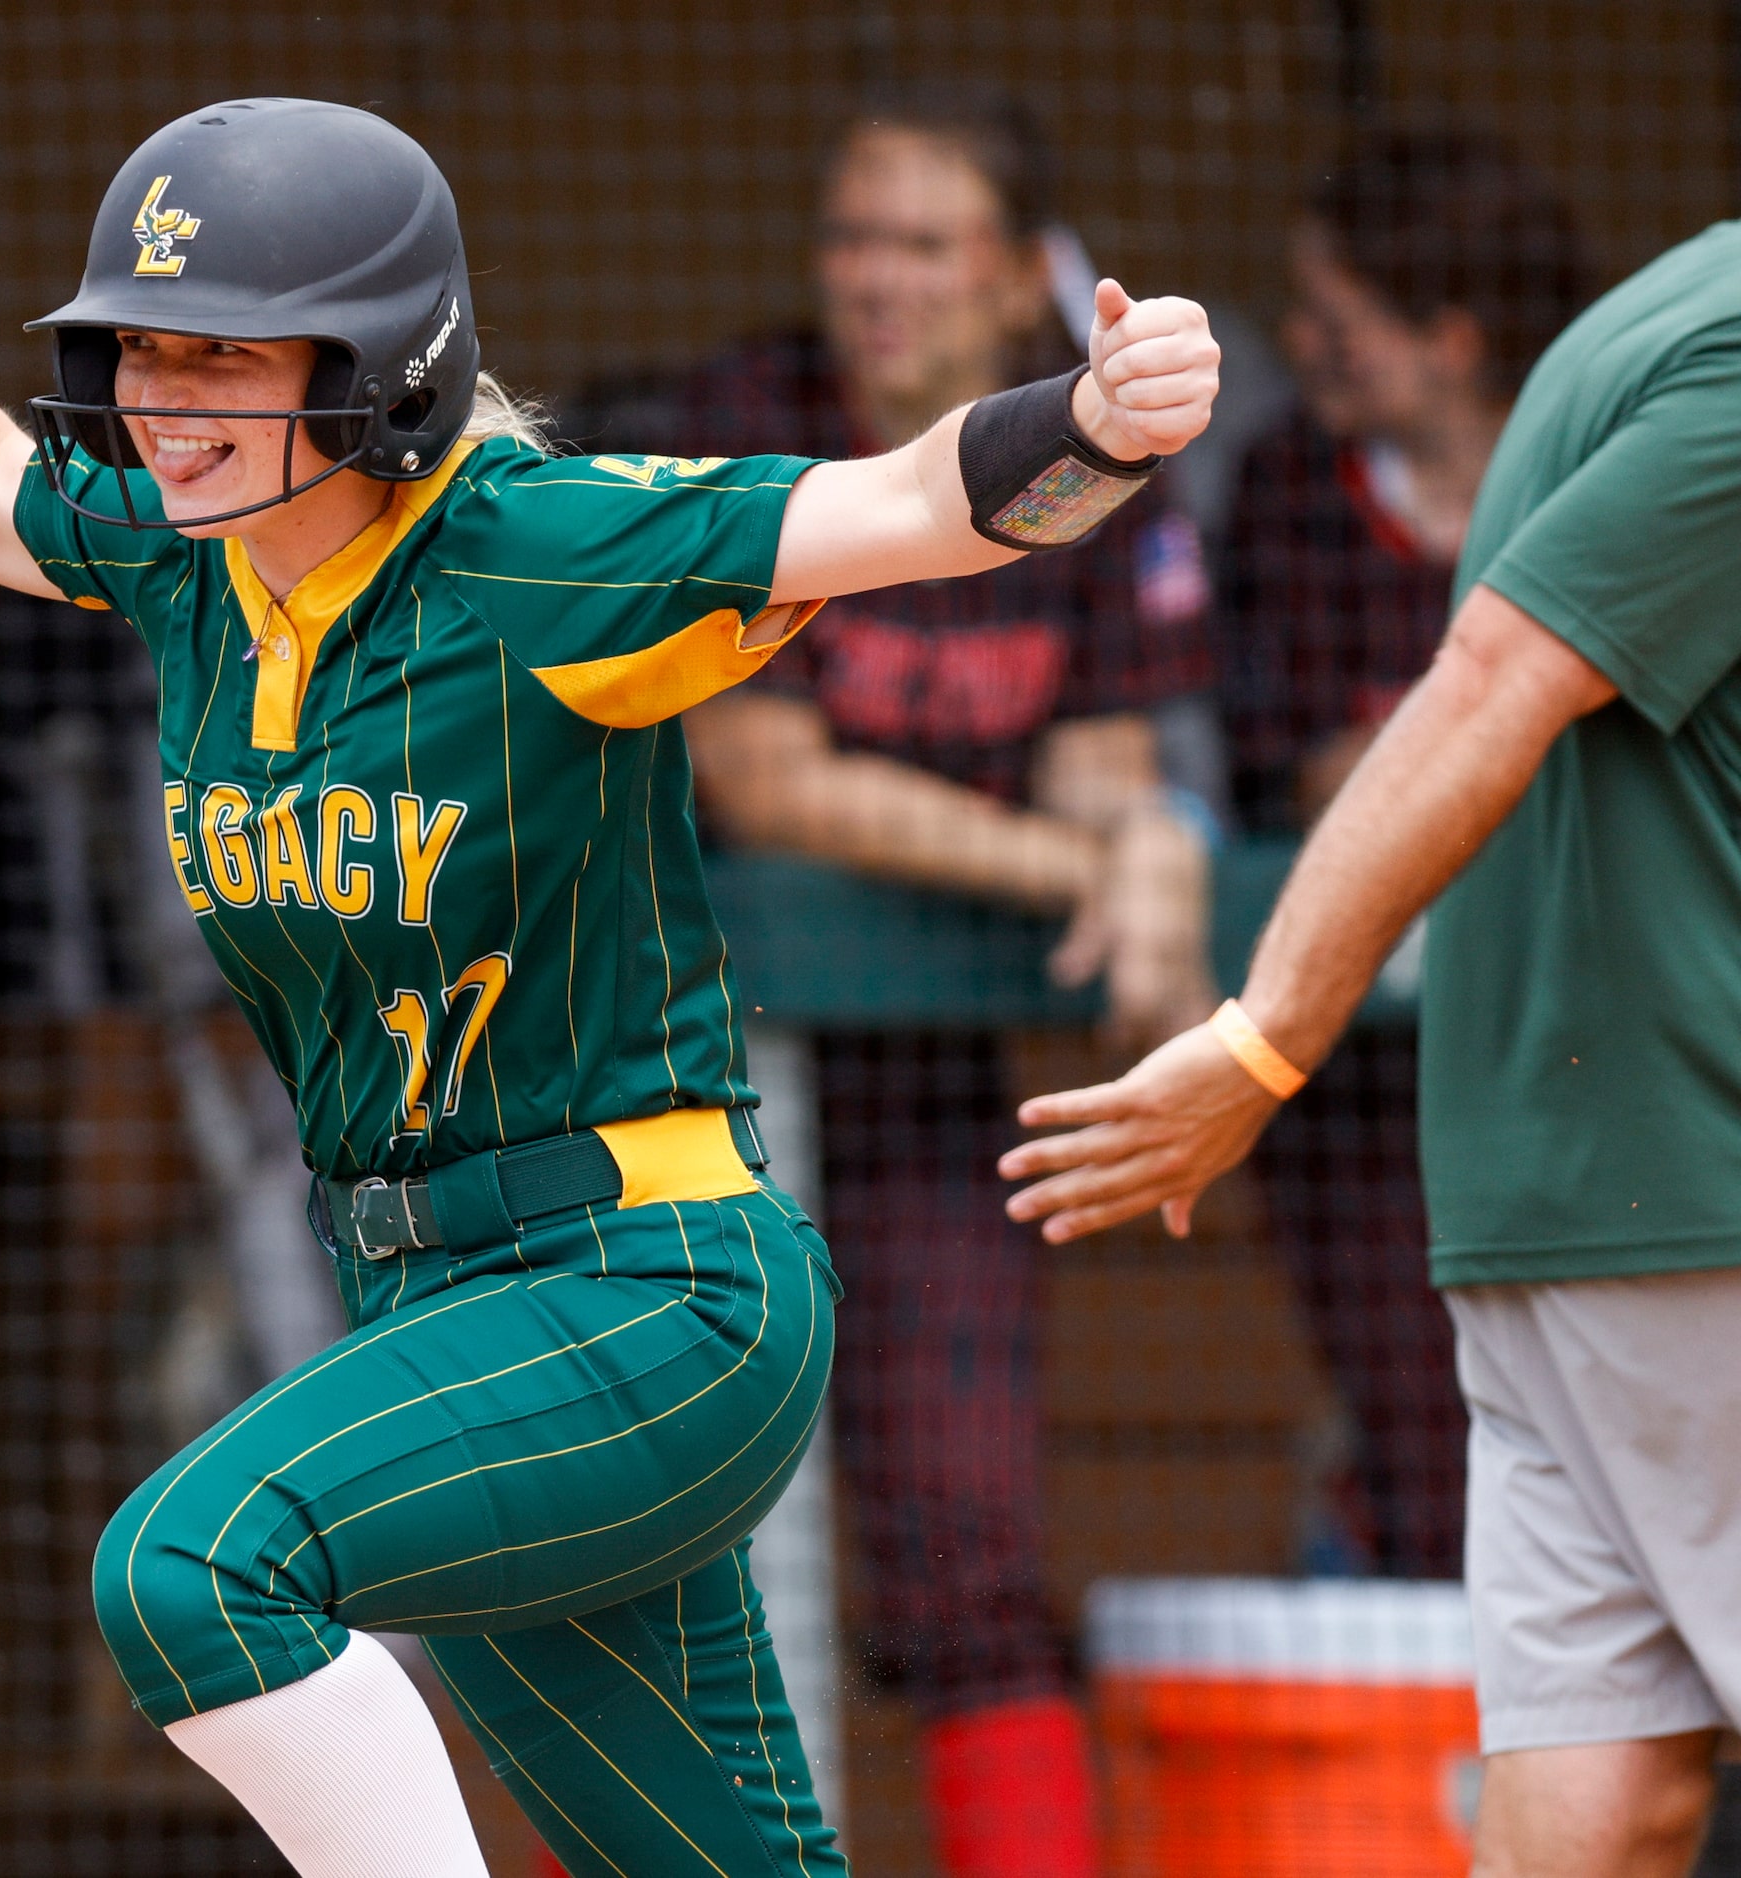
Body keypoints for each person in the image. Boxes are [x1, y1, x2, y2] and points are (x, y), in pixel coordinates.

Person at [0, 80, 1218, 1878]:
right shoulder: (193, 559)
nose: (151, 399)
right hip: (439, 1310)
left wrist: (1103, 429)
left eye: (221, 356)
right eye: (135, 348)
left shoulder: (529, 543)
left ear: (371, 377)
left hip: (651, 1292)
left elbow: (908, 500)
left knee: (191, 1566)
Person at [1004, 215, 1741, 1878]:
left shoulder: (1650, 306)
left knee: (1603, 1790)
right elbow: (1490, 676)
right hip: (1701, 1183)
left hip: (1545, 1197)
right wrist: (1266, 1036)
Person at [583, 92, 1214, 1878]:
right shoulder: (737, 427)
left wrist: (1150, 839)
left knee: (966, 1537)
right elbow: (765, 779)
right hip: (668, 1062)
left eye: (925, 243)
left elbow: (1104, 755)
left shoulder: (1078, 463)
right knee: (649, 1540)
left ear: (1023, 277)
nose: (875, 277)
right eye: (853, 234)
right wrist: (1083, 863)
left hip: (927, 1066)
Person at [1216, 126, 1589, 1580]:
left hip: (1584, 1047)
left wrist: (1437, 753)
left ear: (1450, 336)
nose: (1298, 338)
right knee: (1429, 1439)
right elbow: (1308, 766)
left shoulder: (1596, 473)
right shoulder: (1293, 491)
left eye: (1335, 312)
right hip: (1359, 1068)